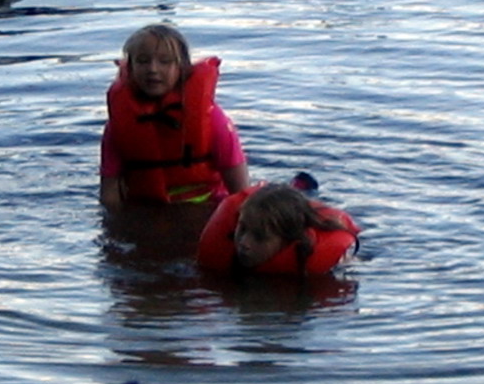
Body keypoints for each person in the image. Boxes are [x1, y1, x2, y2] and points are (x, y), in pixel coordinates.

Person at [100, 23, 249, 208]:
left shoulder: (213, 119)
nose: (153, 69)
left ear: (183, 68)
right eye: (143, 61)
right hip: (145, 213)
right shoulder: (118, 124)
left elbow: (241, 192)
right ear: (130, 68)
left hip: (205, 212)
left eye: (165, 61)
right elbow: (110, 196)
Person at [197, 183, 360, 277]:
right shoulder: (221, 246)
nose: (244, 243)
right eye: (242, 229)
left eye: (259, 237)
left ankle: (303, 187)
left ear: (287, 241)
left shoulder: (314, 262)